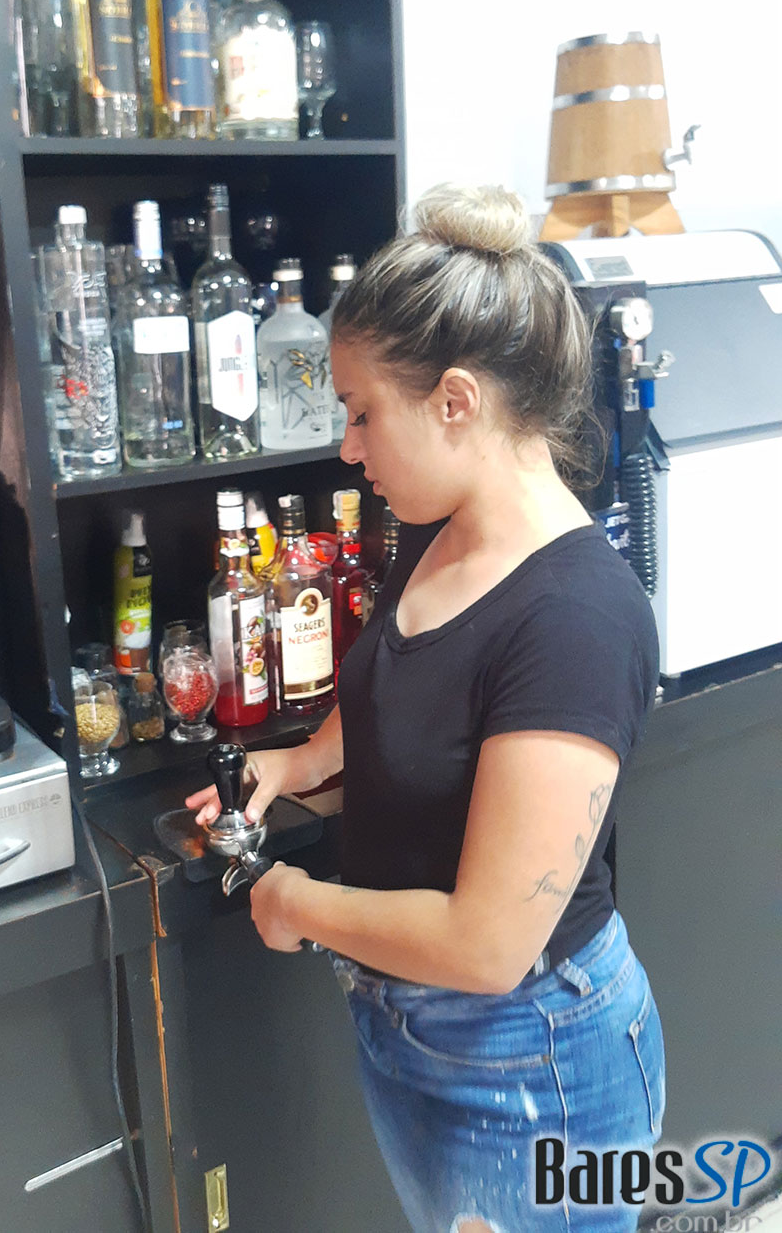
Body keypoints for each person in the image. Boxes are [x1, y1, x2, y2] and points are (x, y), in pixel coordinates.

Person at [186, 183, 665, 1233]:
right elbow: (405, 683)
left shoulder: (577, 620)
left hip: (532, 1063)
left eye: (362, 412)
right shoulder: (437, 530)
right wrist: (300, 762)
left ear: (455, 401)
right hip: (405, 1025)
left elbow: (489, 943)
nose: (347, 446)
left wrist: (295, 901)